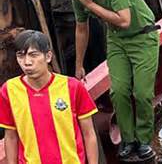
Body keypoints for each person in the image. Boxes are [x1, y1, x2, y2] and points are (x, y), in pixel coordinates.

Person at [51, 0, 159, 160]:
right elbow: (82, 29)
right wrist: (79, 65)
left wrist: (90, 4)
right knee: (118, 91)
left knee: (142, 93)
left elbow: (125, 20)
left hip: (142, 37)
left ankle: (144, 139)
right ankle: (129, 140)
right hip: (117, 41)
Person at [0, 30, 99, 164]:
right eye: (20, 56)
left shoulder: (73, 87)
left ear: (48, 56)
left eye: (33, 55)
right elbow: (11, 136)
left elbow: (89, 133)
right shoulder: (9, 90)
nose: (27, 62)